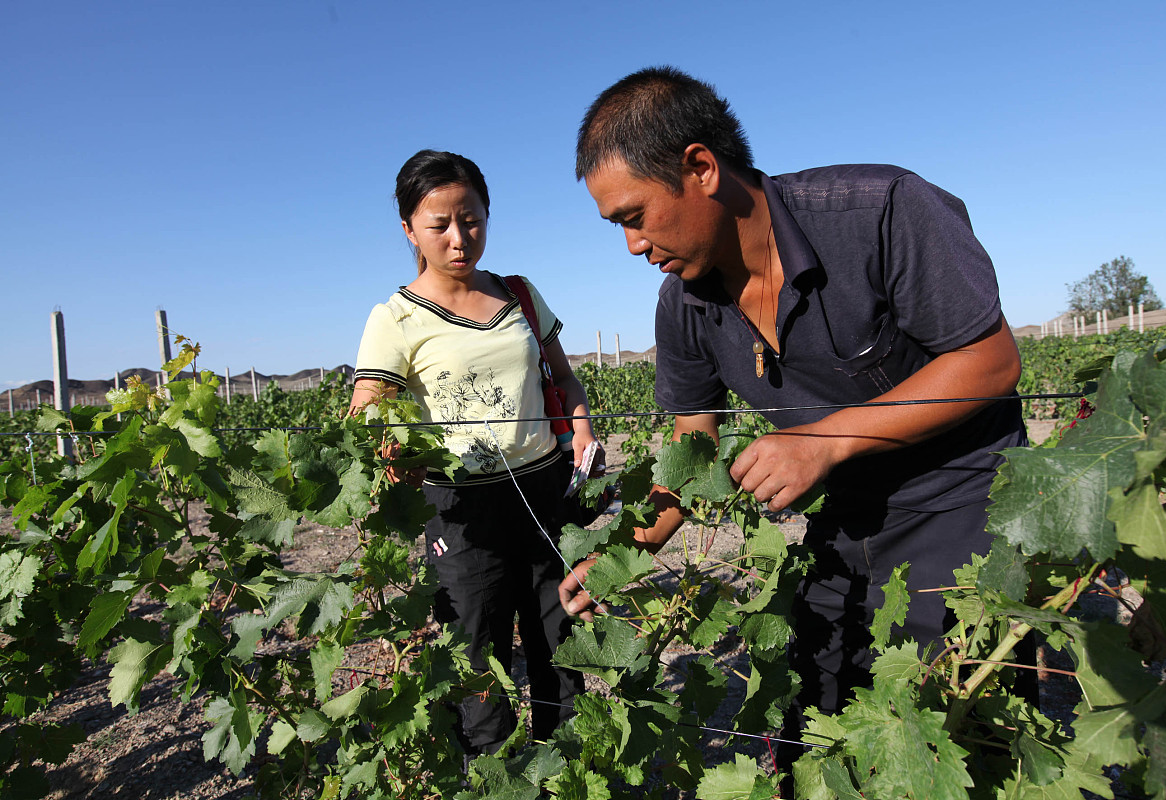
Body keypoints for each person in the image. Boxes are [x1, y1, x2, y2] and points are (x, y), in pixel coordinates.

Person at [558, 66, 1027, 755]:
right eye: (617, 226)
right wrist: (629, 551)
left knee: (960, 729)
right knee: (818, 715)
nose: (632, 244)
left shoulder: (881, 212)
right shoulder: (683, 301)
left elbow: (992, 361)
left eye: (635, 216)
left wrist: (824, 442)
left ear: (701, 168)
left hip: (963, 499)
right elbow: (695, 445)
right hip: (846, 514)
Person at [351, 149, 601, 757]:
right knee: (476, 655)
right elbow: (367, 412)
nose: (460, 238)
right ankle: (491, 777)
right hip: (463, 508)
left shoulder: (518, 293)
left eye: (473, 220)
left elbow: (564, 379)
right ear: (409, 229)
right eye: (440, 225)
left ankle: (561, 771)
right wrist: (389, 446)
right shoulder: (395, 318)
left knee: (559, 640)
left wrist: (585, 428)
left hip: (545, 491)